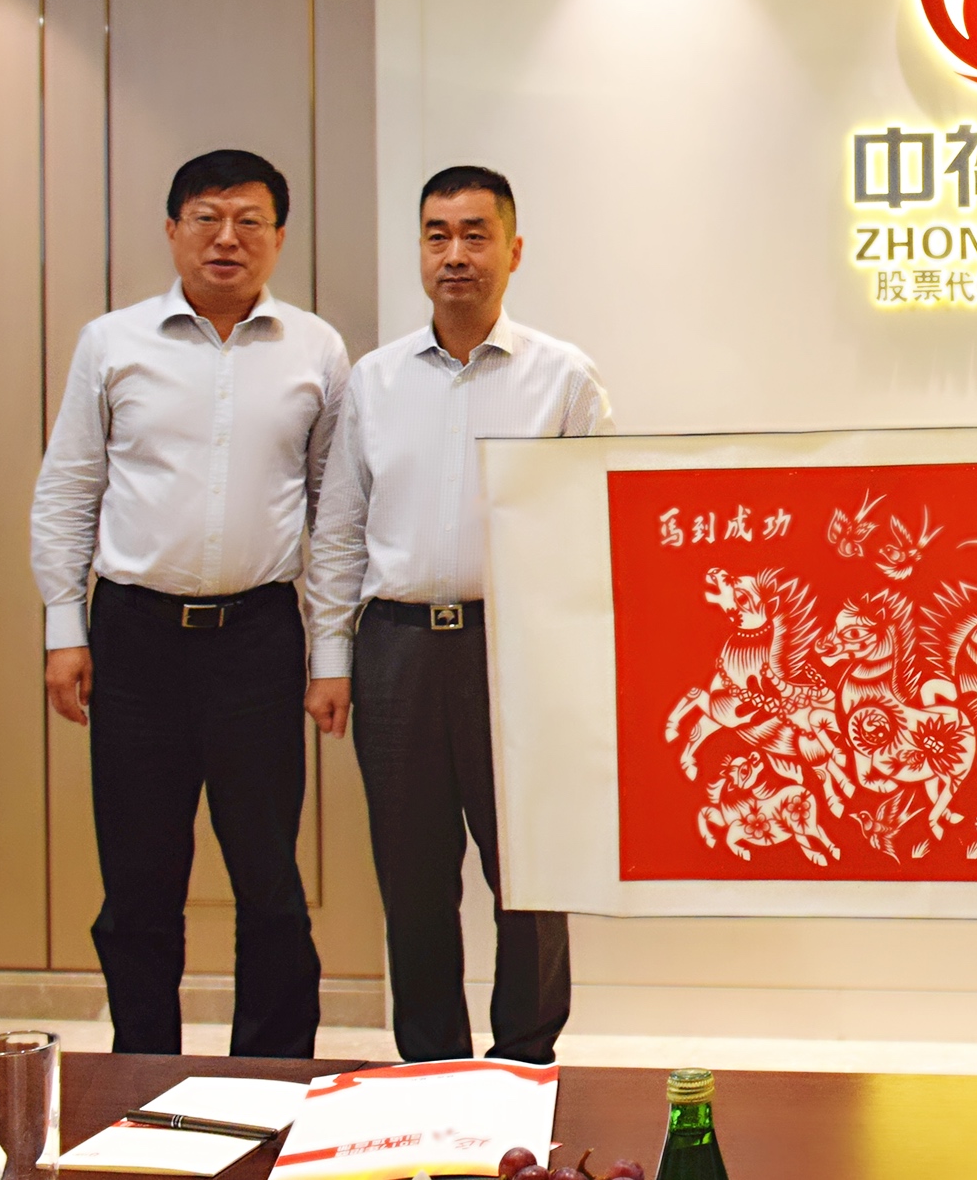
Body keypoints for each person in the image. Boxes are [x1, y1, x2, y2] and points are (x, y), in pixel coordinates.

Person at [30, 149, 346, 1057]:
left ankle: (272, 1072)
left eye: (250, 220)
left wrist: (330, 654)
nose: (226, 238)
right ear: (173, 230)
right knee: (139, 885)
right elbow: (67, 490)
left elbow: (334, 511)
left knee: (270, 883)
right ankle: (141, 1068)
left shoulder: (317, 349)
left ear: (279, 238)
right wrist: (64, 628)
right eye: (206, 217)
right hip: (135, 640)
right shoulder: (112, 341)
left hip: (258, 639)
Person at [304, 165, 610, 1064]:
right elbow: (339, 528)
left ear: (514, 250)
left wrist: (579, 666)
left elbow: (596, 527)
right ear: (420, 251)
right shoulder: (375, 379)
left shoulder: (563, 377)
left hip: (517, 653)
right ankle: (431, 1063)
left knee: (530, 874)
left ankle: (526, 1059)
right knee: (412, 878)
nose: (456, 254)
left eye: (477, 234)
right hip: (396, 650)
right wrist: (330, 659)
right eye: (438, 235)